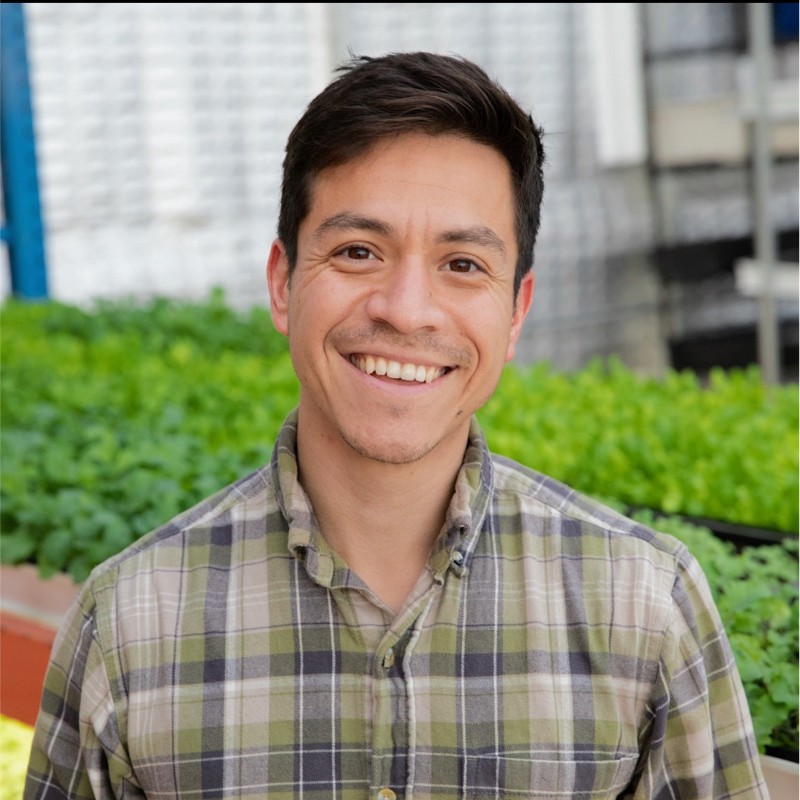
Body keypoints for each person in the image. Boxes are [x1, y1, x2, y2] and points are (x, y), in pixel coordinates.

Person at [25, 51, 768, 800]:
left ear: (516, 310)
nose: (405, 308)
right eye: (358, 252)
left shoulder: (644, 607)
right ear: (283, 283)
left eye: (464, 263)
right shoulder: (127, 626)